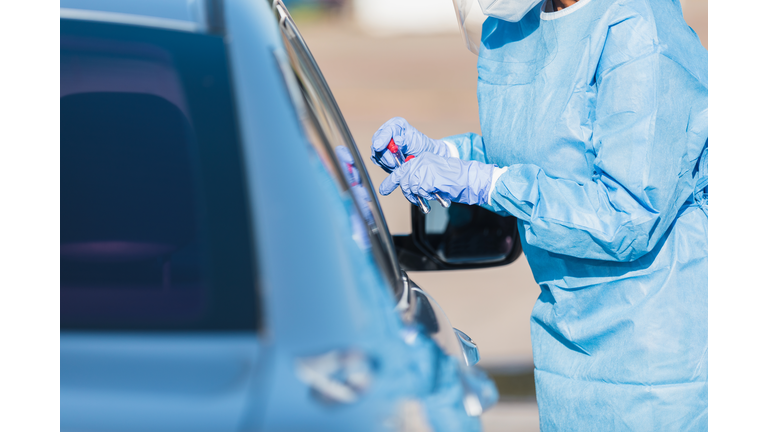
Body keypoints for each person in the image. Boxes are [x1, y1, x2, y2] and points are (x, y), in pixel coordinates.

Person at [370, 0, 708, 430]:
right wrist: (448, 155)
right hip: (562, 341)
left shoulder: (637, 28)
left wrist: (486, 183)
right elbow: (537, 150)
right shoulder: (518, 25)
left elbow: (627, 216)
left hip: (654, 359)